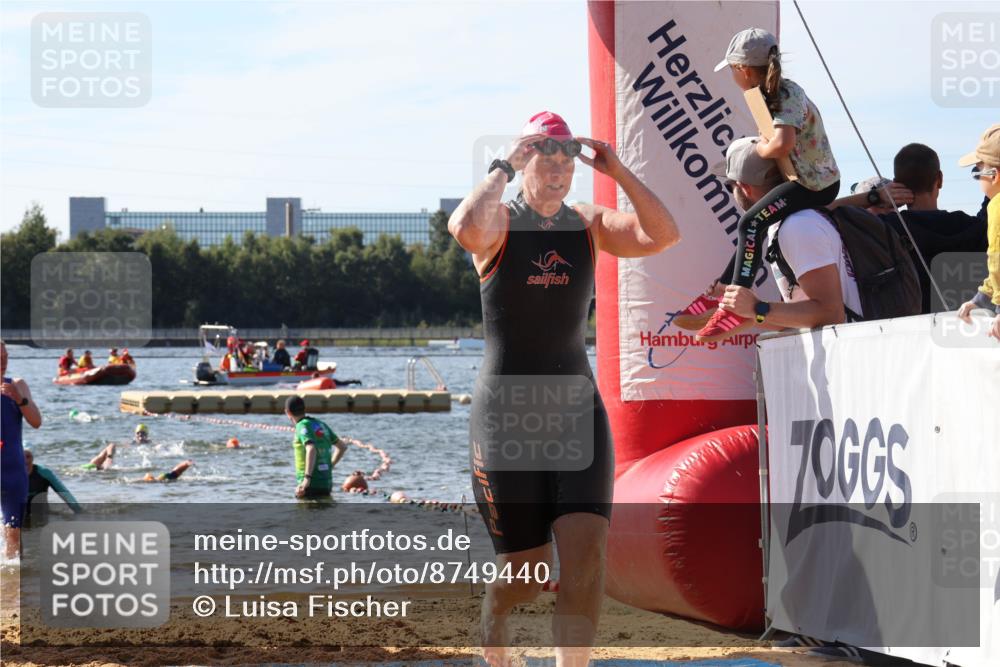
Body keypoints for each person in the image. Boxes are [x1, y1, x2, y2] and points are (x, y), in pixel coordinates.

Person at [449, 110, 679, 667]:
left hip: (576, 411)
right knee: (525, 576)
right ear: (526, 159)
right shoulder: (500, 222)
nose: (556, 165)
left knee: (585, 556)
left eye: (565, 155)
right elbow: (463, 229)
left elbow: (662, 235)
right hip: (507, 418)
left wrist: (618, 170)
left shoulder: (586, 224)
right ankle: (495, 618)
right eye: (544, 154)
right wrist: (504, 164)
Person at [677, 28, 841, 342]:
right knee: (756, 226)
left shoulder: (784, 92)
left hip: (815, 184)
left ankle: (736, 304)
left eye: (732, 71)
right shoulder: (770, 92)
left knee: (750, 221)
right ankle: (725, 291)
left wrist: (760, 148)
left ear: (743, 70)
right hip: (808, 180)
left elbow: (780, 144)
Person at [711, 137, 861, 331]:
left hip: (846, 353)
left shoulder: (797, 227)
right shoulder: (786, 224)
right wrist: (747, 314)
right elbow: (806, 317)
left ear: (744, 187)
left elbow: (831, 314)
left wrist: (757, 308)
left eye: (729, 186)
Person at [832, 144, 989, 313]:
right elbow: (993, 203)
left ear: (897, 184)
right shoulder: (975, 227)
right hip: (970, 329)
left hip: (909, 333)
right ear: (940, 179)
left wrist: (875, 197)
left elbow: (820, 211)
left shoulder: (885, 229)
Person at [956, 124, 1000, 342]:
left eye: (977, 172)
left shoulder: (997, 206)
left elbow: (998, 260)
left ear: (994, 176)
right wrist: (983, 298)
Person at [1, 341, 43, 559]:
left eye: (5, 356)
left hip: (12, 470)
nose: (3, 361)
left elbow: (36, 421)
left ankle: (12, 583)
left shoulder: (18, 385)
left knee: (14, 531)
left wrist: (20, 399)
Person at [284, 396, 347, 499]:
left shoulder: (301, 426)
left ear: (288, 412)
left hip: (310, 484)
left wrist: (307, 478)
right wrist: (330, 465)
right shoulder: (321, 424)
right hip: (326, 483)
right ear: (304, 409)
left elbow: (311, 448)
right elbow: (342, 447)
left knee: (305, 513)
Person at [25, 449, 82, 523]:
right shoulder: (9, 474)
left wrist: (78, 511)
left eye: (27, 456)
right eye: (21, 457)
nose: (25, 460)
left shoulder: (44, 472)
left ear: (33, 458)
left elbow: (63, 492)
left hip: (42, 516)